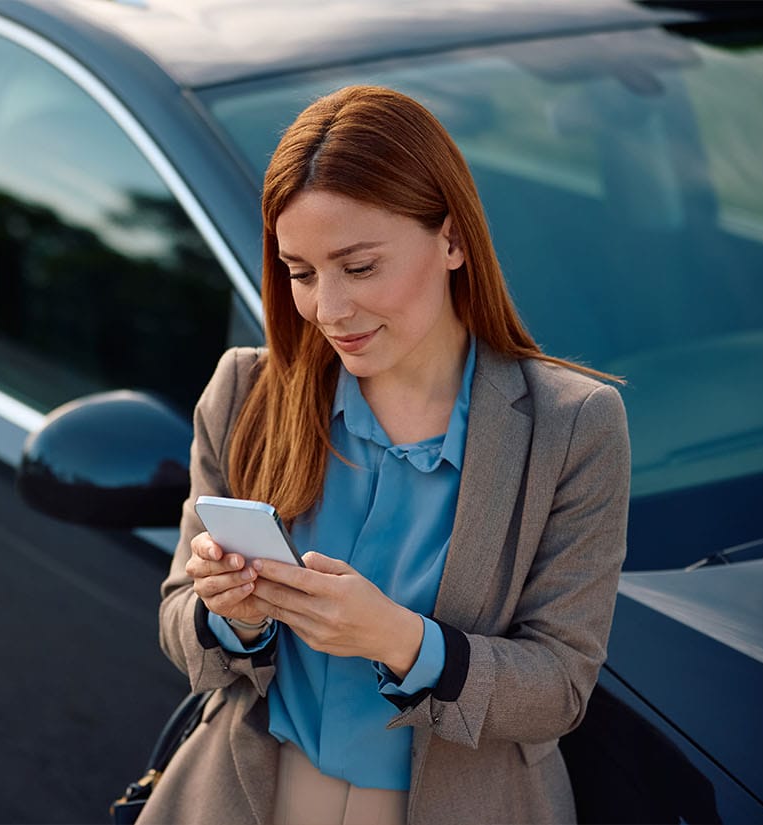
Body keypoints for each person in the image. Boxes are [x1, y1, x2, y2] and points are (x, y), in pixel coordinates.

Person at [140, 85, 632, 825]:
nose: (329, 309)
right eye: (301, 274)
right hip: (252, 795)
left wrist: (399, 639)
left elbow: (560, 686)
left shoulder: (573, 427)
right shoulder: (246, 391)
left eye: (360, 266)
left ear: (452, 240)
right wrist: (227, 614)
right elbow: (179, 616)